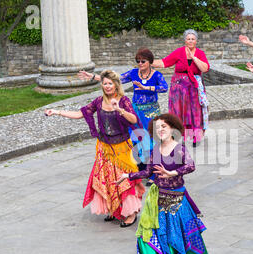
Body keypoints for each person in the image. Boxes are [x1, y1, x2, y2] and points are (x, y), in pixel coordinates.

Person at [116, 113, 208, 254]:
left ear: (172, 128)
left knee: (173, 237)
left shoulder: (179, 148)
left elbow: (190, 166)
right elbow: (147, 173)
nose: (160, 130)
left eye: (163, 126)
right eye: (157, 128)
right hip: (156, 199)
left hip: (176, 201)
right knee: (146, 235)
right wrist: (127, 175)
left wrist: (172, 172)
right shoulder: (154, 150)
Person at [45, 70, 145, 227]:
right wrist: (57, 112)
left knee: (124, 180)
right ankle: (113, 209)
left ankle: (131, 214)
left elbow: (133, 119)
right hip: (104, 148)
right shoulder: (99, 101)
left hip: (121, 148)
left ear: (116, 85)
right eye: (104, 83)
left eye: (110, 83)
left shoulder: (124, 100)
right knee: (107, 179)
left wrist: (119, 109)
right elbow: (80, 114)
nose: (107, 86)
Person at [79, 48, 169, 181]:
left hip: (151, 112)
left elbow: (164, 87)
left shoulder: (156, 75)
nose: (140, 63)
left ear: (150, 62)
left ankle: (154, 173)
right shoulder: (133, 73)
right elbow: (115, 80)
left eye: (143, 61)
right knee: (136, 139)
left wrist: (147, 88)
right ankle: (141, 169)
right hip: (136, 111)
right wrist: (93, 77)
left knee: (152, 140)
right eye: (138, 61)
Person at [152, 29, 210, 147]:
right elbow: (164, 62)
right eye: (188, 38)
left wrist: (194, 58)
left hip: (194, 88)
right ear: (185, 40)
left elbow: (204, 68)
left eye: (192, 39)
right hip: (178, 88)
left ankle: (195, 137)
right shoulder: (179, 52)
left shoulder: (200, 53)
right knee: (178, 112)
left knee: (195, 112)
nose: (190, 41)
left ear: (196, 41)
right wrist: (148, 61)